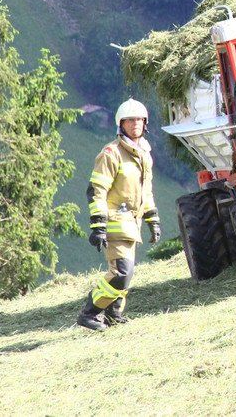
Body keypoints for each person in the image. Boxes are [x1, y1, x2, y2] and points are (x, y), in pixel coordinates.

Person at [76, 98, 161, 331]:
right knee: (121, 272)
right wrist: (98, 225)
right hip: (114, 221)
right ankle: (89, 313)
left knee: (127, 273)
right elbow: (96, 190)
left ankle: (114, 314)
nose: (135, 124)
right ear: (120, 124)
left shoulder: (144, 154)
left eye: (140, 120)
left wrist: (152, 219)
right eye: (130, 120)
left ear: (145, 123)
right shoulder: (111, 153)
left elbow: (146, 191)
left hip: (132, 223)